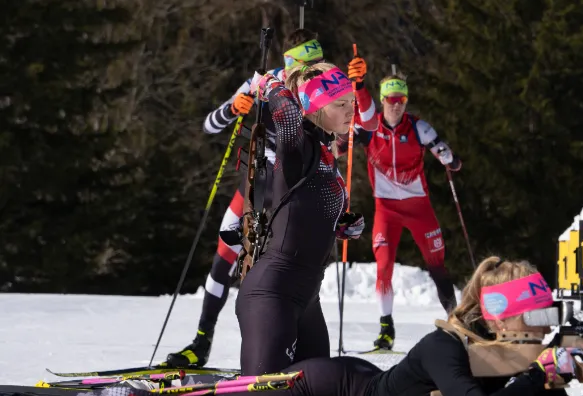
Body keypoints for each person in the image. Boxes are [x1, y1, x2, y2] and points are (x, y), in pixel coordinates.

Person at [1, 257, 583, 396]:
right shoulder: (445, 344)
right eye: (536, 323)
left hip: (350, 389)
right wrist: (537, 371)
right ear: (506, 320)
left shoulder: (508, 359)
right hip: (326, 389)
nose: (544, 333)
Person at [163, 29, 377, 368]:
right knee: (225, 254)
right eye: (303, 64)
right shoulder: (267, 80)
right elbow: (209, 124)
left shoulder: (323, 89)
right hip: (260, 183)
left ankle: (288, 340)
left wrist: (360, 89)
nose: (307, 72)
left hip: (299, 189)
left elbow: (366, 127)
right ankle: (202, 340)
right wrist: (235, 108)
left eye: (315, 63)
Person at [233, 58, 377, 376]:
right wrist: (270, 83)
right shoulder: (297, 147)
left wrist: (342, 225)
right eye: (340, 104)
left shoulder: (325, 153)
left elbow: (306, 212)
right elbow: (285, 114)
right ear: (314, 107)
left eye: (351, 101)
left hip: (307, 299)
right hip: (272, 295)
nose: (351, 110)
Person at [349, 75, 462, 351]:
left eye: (401, 100)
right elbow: (342, 143)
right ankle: (386, 327)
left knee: (437, 265)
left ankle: (456, 324)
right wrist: (342, 144)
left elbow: (449, 158)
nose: (396, 106)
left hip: (418, 207)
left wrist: (449, 158)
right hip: (386, 209)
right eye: (391, 100)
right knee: (384, 265)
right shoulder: (369, 127)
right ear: (383, 100)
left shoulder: (418, 128)